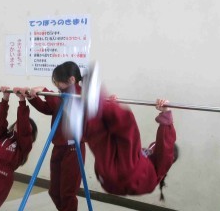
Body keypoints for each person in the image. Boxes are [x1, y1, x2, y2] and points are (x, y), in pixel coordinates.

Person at [69, 62, 179, 199]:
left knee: (127, 127)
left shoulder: (160, 165)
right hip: (108, 177)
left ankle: (97, 107)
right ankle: (90, 114)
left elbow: (166, 147)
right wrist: (111, 105)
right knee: (104, 136)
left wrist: (167, 114)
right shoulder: (144, 159)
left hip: (131, 176)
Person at [18, 61, 86, 211]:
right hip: (59, 147)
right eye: (55, 83)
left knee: (68, 191)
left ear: (72, 80)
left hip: (74, 149)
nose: (57, 86)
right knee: (54, 190)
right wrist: (32, 97)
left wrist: (46, 91)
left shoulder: (80, 96)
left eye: (58, 82)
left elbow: (66, 108)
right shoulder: (62, 94)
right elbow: (49, 109)